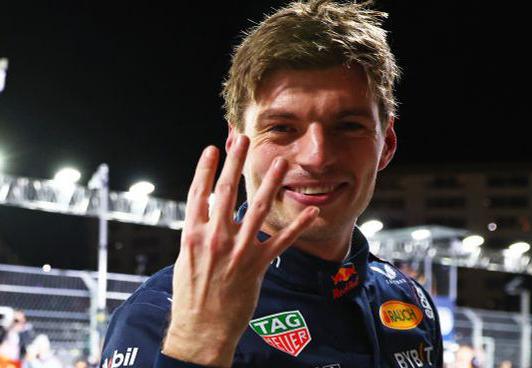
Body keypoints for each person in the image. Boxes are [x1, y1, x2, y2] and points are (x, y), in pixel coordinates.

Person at [101, 0, 443, 367]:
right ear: (236, 145)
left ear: (386, 144)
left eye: (348, 126)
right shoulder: (159, 316)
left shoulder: (408, 300)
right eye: (281, 128)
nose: (316, 156)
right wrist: (195, 347)